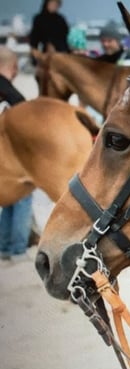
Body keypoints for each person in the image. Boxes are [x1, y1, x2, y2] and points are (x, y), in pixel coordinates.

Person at [0, 47, 33, 265]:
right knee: (23, 192)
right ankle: (18, 249)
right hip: (6, 155)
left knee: (10, 195)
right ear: (13, 67)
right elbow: (26, 114)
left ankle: (4, 246)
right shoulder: (6, 89)